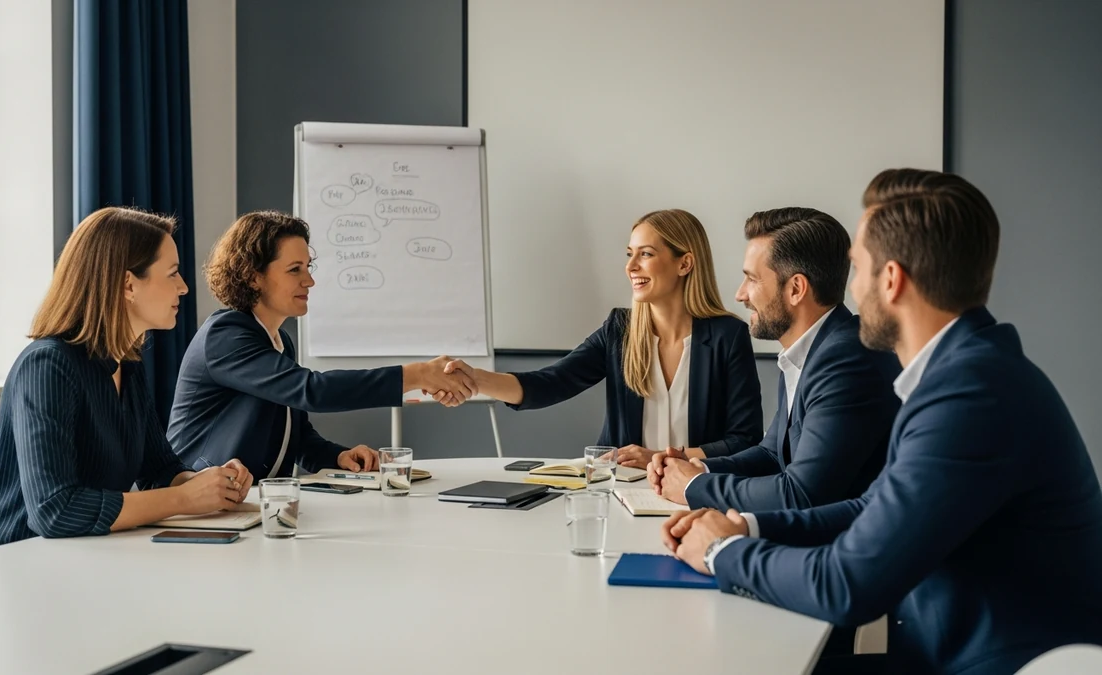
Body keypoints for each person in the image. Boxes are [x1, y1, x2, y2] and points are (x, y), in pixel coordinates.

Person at [662, 169, 1102, 674]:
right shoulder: (964, 372)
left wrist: (721, 551)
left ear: (891, 280)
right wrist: (750, 525)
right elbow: (870, 507)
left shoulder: (970, 394)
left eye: (857, 269)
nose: (849, 288)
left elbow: (847, 585)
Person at [0, 207, 253, 552]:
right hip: (11, 561)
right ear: (128, 284)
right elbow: (54, 511)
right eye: (172, 274)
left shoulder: (126, 363)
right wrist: (183, 499)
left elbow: (158, 469)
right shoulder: (47, 366)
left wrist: (208, 484)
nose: (184, 287)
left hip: (80, 556)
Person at [435, 209, 762, 466]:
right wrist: (476, 379)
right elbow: (549, 382)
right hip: (623, 490)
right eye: (629, 253)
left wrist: (668, 457)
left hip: (695, 493)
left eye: (645, 254)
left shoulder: (727, 336)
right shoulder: (620, 329)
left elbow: (744, 440)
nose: (631, 266)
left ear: (685, 263)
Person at [167, 211, 474, 483]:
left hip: (249, 503)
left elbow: (295, 436)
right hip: (198, 502)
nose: (310, 281)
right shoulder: (225, 335)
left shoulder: (278, 341)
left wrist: (338, 457)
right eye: (295, 269)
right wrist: (416, 374)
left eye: (308, 267)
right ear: (253, 276)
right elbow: (310, 390)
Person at [648, 207, 900, 511]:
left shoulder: (845, 360)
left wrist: (691, 486)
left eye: (752, 279)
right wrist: (696, 467)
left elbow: (801, 494)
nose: (740, 294)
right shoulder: (808, 351)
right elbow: (771, 455)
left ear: (795, 289)